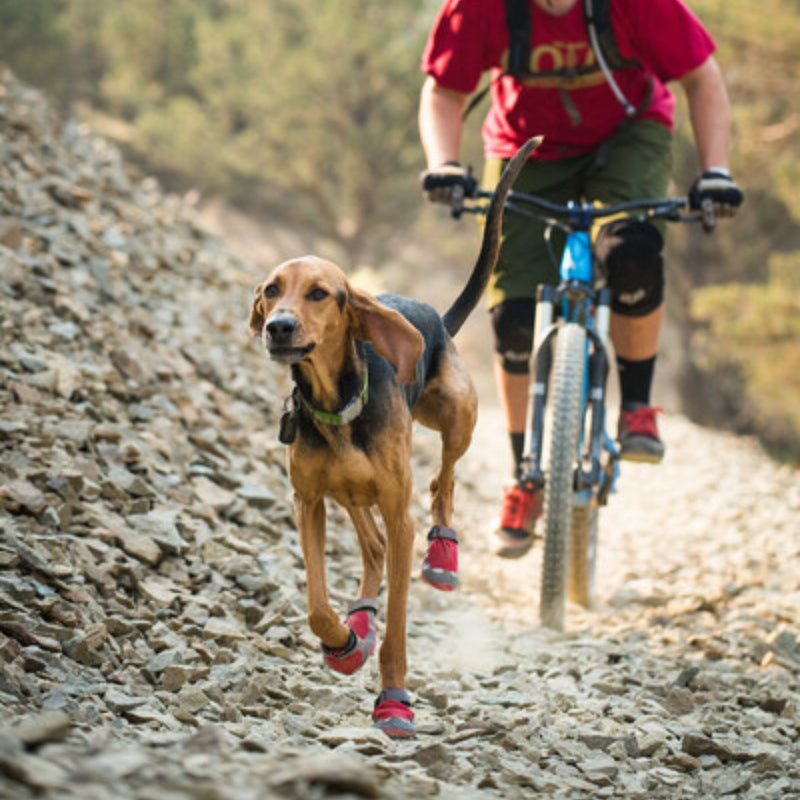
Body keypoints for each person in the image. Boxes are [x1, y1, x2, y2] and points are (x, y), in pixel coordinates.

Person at [418, 0, 743, 559]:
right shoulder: (479, 8)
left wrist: (715, 171)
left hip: (627, 136)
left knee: (633, 252)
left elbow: (700, 76)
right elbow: (444, 90)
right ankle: (525, 475)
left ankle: (637, 405)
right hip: (525, 148)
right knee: (513, 319)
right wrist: (445, 162)